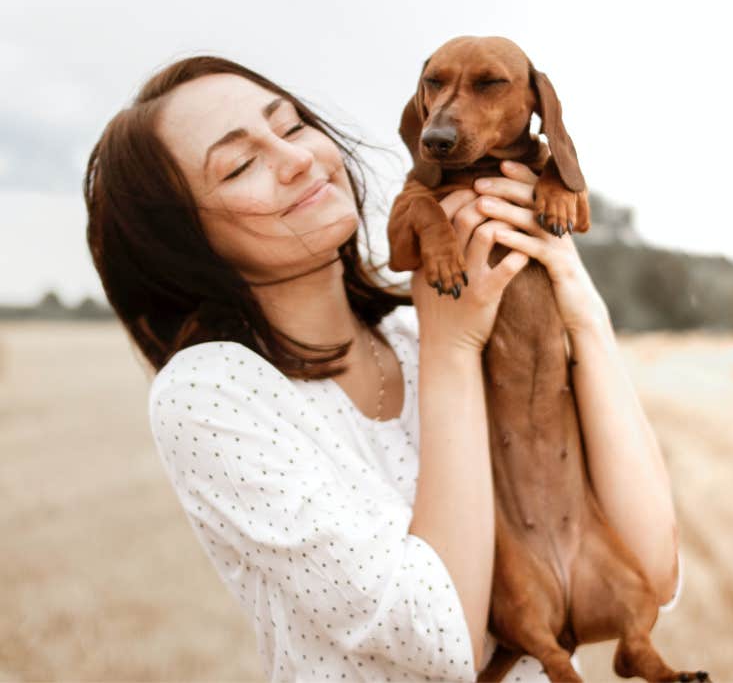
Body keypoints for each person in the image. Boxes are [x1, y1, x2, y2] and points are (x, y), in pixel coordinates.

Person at [85, 56, 682, 682]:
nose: (297, 160)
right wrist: (452, 354)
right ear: (180, 240)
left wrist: (583, 310)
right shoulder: (211, 393)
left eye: (290, 128)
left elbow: (655, 571)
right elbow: (442, 645)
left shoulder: (412, 332)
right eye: (239, 166)